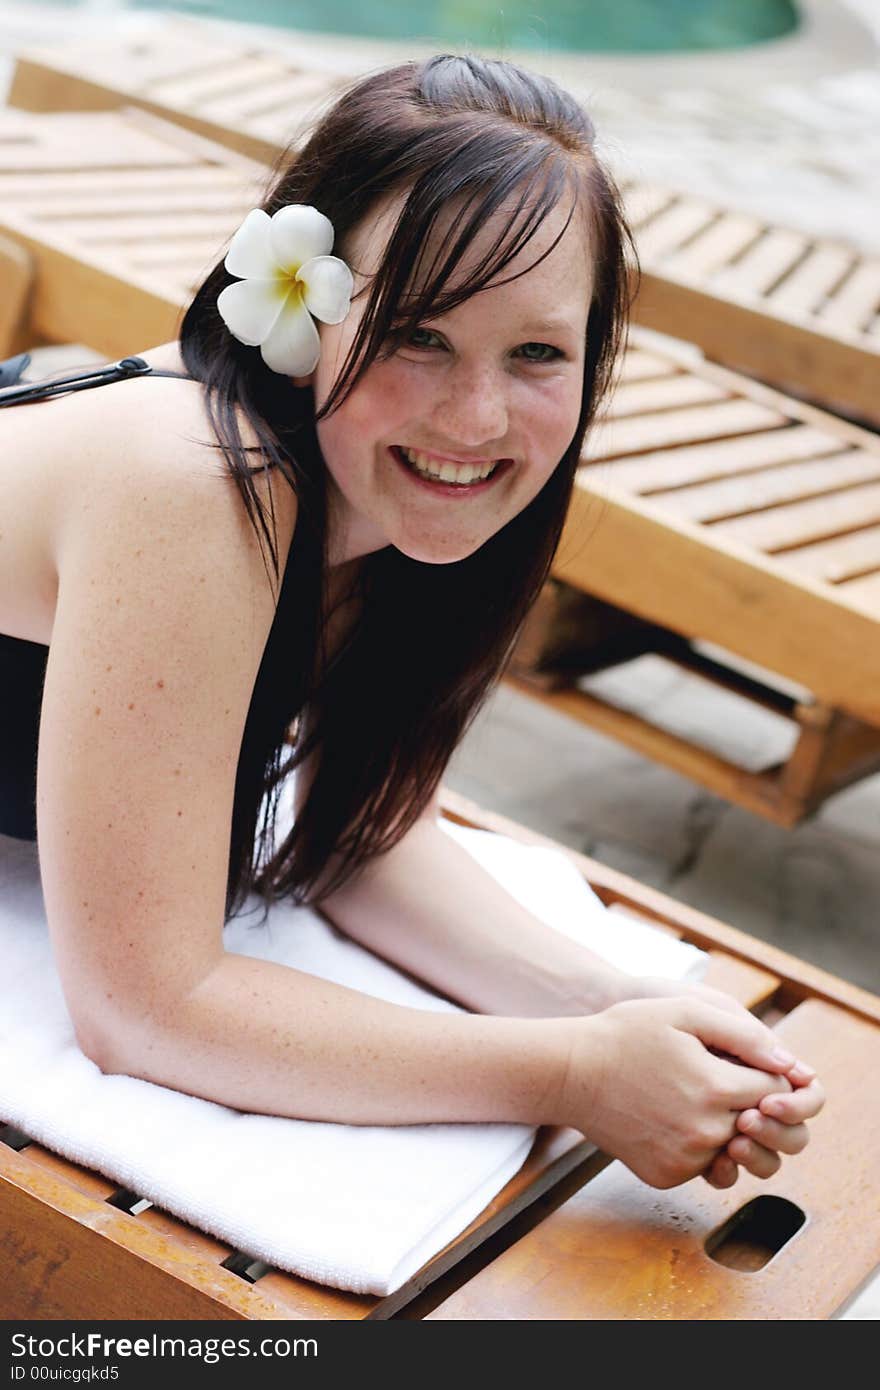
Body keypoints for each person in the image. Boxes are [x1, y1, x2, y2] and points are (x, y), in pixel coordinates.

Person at [0, 54, 822, 1194]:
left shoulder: (377, 506)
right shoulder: (194, 486)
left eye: (537, 351)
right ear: (307, 312)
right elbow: (147, 1007)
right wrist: (573, 1071)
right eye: (417, 334)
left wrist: (636, 1015)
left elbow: (357, 832)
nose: (475, 419)